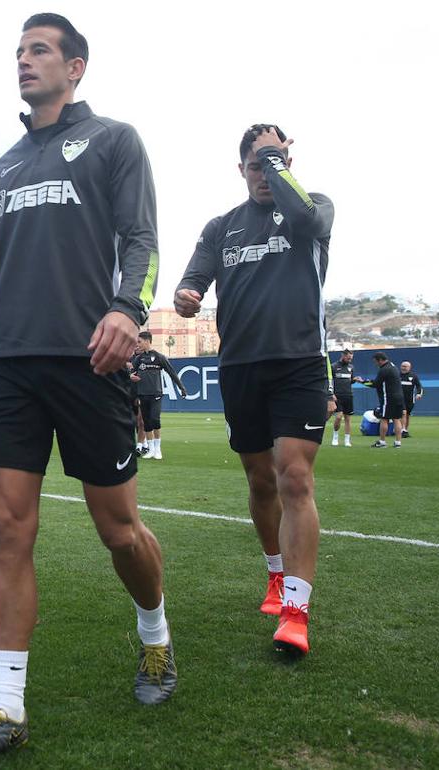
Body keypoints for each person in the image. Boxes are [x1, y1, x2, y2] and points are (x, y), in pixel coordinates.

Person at [0, 16, 172, 766]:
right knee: (10, 527)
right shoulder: (3, 166)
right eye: (17, 52)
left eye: (38, 51)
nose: (23, 62)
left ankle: (156, 638)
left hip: (89, 362)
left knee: (118, 531)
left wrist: (126, 311)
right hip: (7, 363)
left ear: (76, 66)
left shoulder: (114, 140)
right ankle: (5, 706)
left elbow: (141, 239)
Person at [175, 123, 335, 658]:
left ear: (288, 163)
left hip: (299, 363)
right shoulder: (222, 227)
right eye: (255, 163)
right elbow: (193, 278)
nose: (264, 172)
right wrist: (187, 294)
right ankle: (274, 572)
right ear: (239, 168)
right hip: (241, 367)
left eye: (274, 162)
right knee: (260, 479)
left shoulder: (313, 209)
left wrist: (277, 162)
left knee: (294, 476)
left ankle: (296, 610)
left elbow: (306, 216)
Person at [130, 331, 187, 460]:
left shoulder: (159, 357)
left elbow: (172, 373)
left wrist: (181, 387)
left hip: (156, 394)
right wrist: (130, 376)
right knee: (147, 422)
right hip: (142, 395)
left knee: (155, 419)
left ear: (147, 341)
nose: (137, 345)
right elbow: (131, 372)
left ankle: (158, 449)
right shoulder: (139, 359)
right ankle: (151, 450)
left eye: (139, 342)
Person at [358, 352, 403, 448]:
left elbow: (375, 384)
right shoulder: (393, 366)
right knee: (396, 419)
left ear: (380, 360)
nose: (376, 364)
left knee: (384, 419)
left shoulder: (384, 370)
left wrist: (362, 381)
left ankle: (382, 442)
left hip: (389, 398)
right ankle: (398, 442)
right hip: (399, 397)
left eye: (376, 362)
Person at [330, 349, 355, 446]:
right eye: (348, 358)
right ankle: (335, 436)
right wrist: (331, 393)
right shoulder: (334, 366)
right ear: (343, 356)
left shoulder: (351, 367)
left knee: (348, 418)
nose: (350, 360)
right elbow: (330, 381)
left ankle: (347, 440)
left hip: (348, 395)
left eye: (351, 358)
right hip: (337, 396)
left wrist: (354, 380)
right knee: (339, 417)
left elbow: (350, 380)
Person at [399, 360, 424, 437]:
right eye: (402, 366)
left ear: (409, 367)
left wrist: (419, 394)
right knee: (403, 413)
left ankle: (405, 430)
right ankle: (401, 429)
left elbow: (419, 386)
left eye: (405, 366)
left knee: (407, 415)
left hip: (410, 399)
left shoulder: (413, 376)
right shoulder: (396, 375)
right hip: (399, 399)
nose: (403, 368)